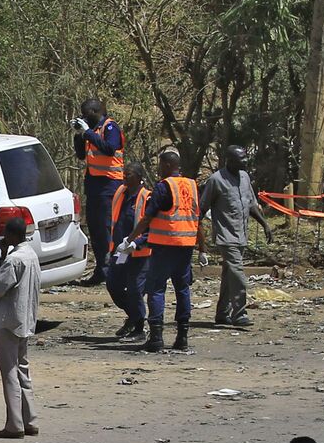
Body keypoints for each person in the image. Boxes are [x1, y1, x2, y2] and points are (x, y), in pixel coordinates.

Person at [200, 145, 273, 327]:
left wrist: (265, 224)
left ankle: (222, 314)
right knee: (238, 275)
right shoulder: (215, 180)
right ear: (230, 161)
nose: (246, 161)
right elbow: (202, 208)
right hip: (226, 236)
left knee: (229, 275)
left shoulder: (245, 177)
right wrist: (196, 237)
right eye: (242, 158)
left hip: (242, 234)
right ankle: (239, 313)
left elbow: (251, 204)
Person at [133, 150, 199, 353]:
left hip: (164, 246)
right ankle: (182, 337)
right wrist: (202, 248)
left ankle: (156, 337)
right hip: (186, 246)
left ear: (168, 165)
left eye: (161, 165)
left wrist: (130, 239)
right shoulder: (191, 185)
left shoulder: (164, 187)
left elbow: (147, 218)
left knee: (156, 289)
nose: (159, 169)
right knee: (182, 289)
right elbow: (199, 218)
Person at [0, 217, 40, 439]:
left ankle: (14, 424)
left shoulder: (14, 260)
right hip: (26, 319)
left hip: (9, 321)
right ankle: (30, 419)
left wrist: (3, 256)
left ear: (12, 235)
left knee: (10, 373)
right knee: (22, 371)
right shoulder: (32, 255)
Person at [72, 98, 124, 286]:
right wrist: (79, 135)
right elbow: (81, 155)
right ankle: (101, 270)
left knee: (106, 229)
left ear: (94, 112)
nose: (84, 118)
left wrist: (87, 132)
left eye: (86, 115)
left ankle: (111, 270)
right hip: (94, 186)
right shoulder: (91, 132)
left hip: (110, 186)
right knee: (96, 230)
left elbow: (110, 149)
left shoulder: (110, 128)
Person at [105, 162, 152, 339]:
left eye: (129, 175)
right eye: (124, 174)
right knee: (113, 285)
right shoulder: (120, 193)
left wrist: (136, 243)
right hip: (119, 251)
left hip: (139, 253)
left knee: (134, 289)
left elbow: (149, 228)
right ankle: (134, 316)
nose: (125, 177)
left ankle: (139, 328)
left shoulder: (146, 197)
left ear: (139, 177)